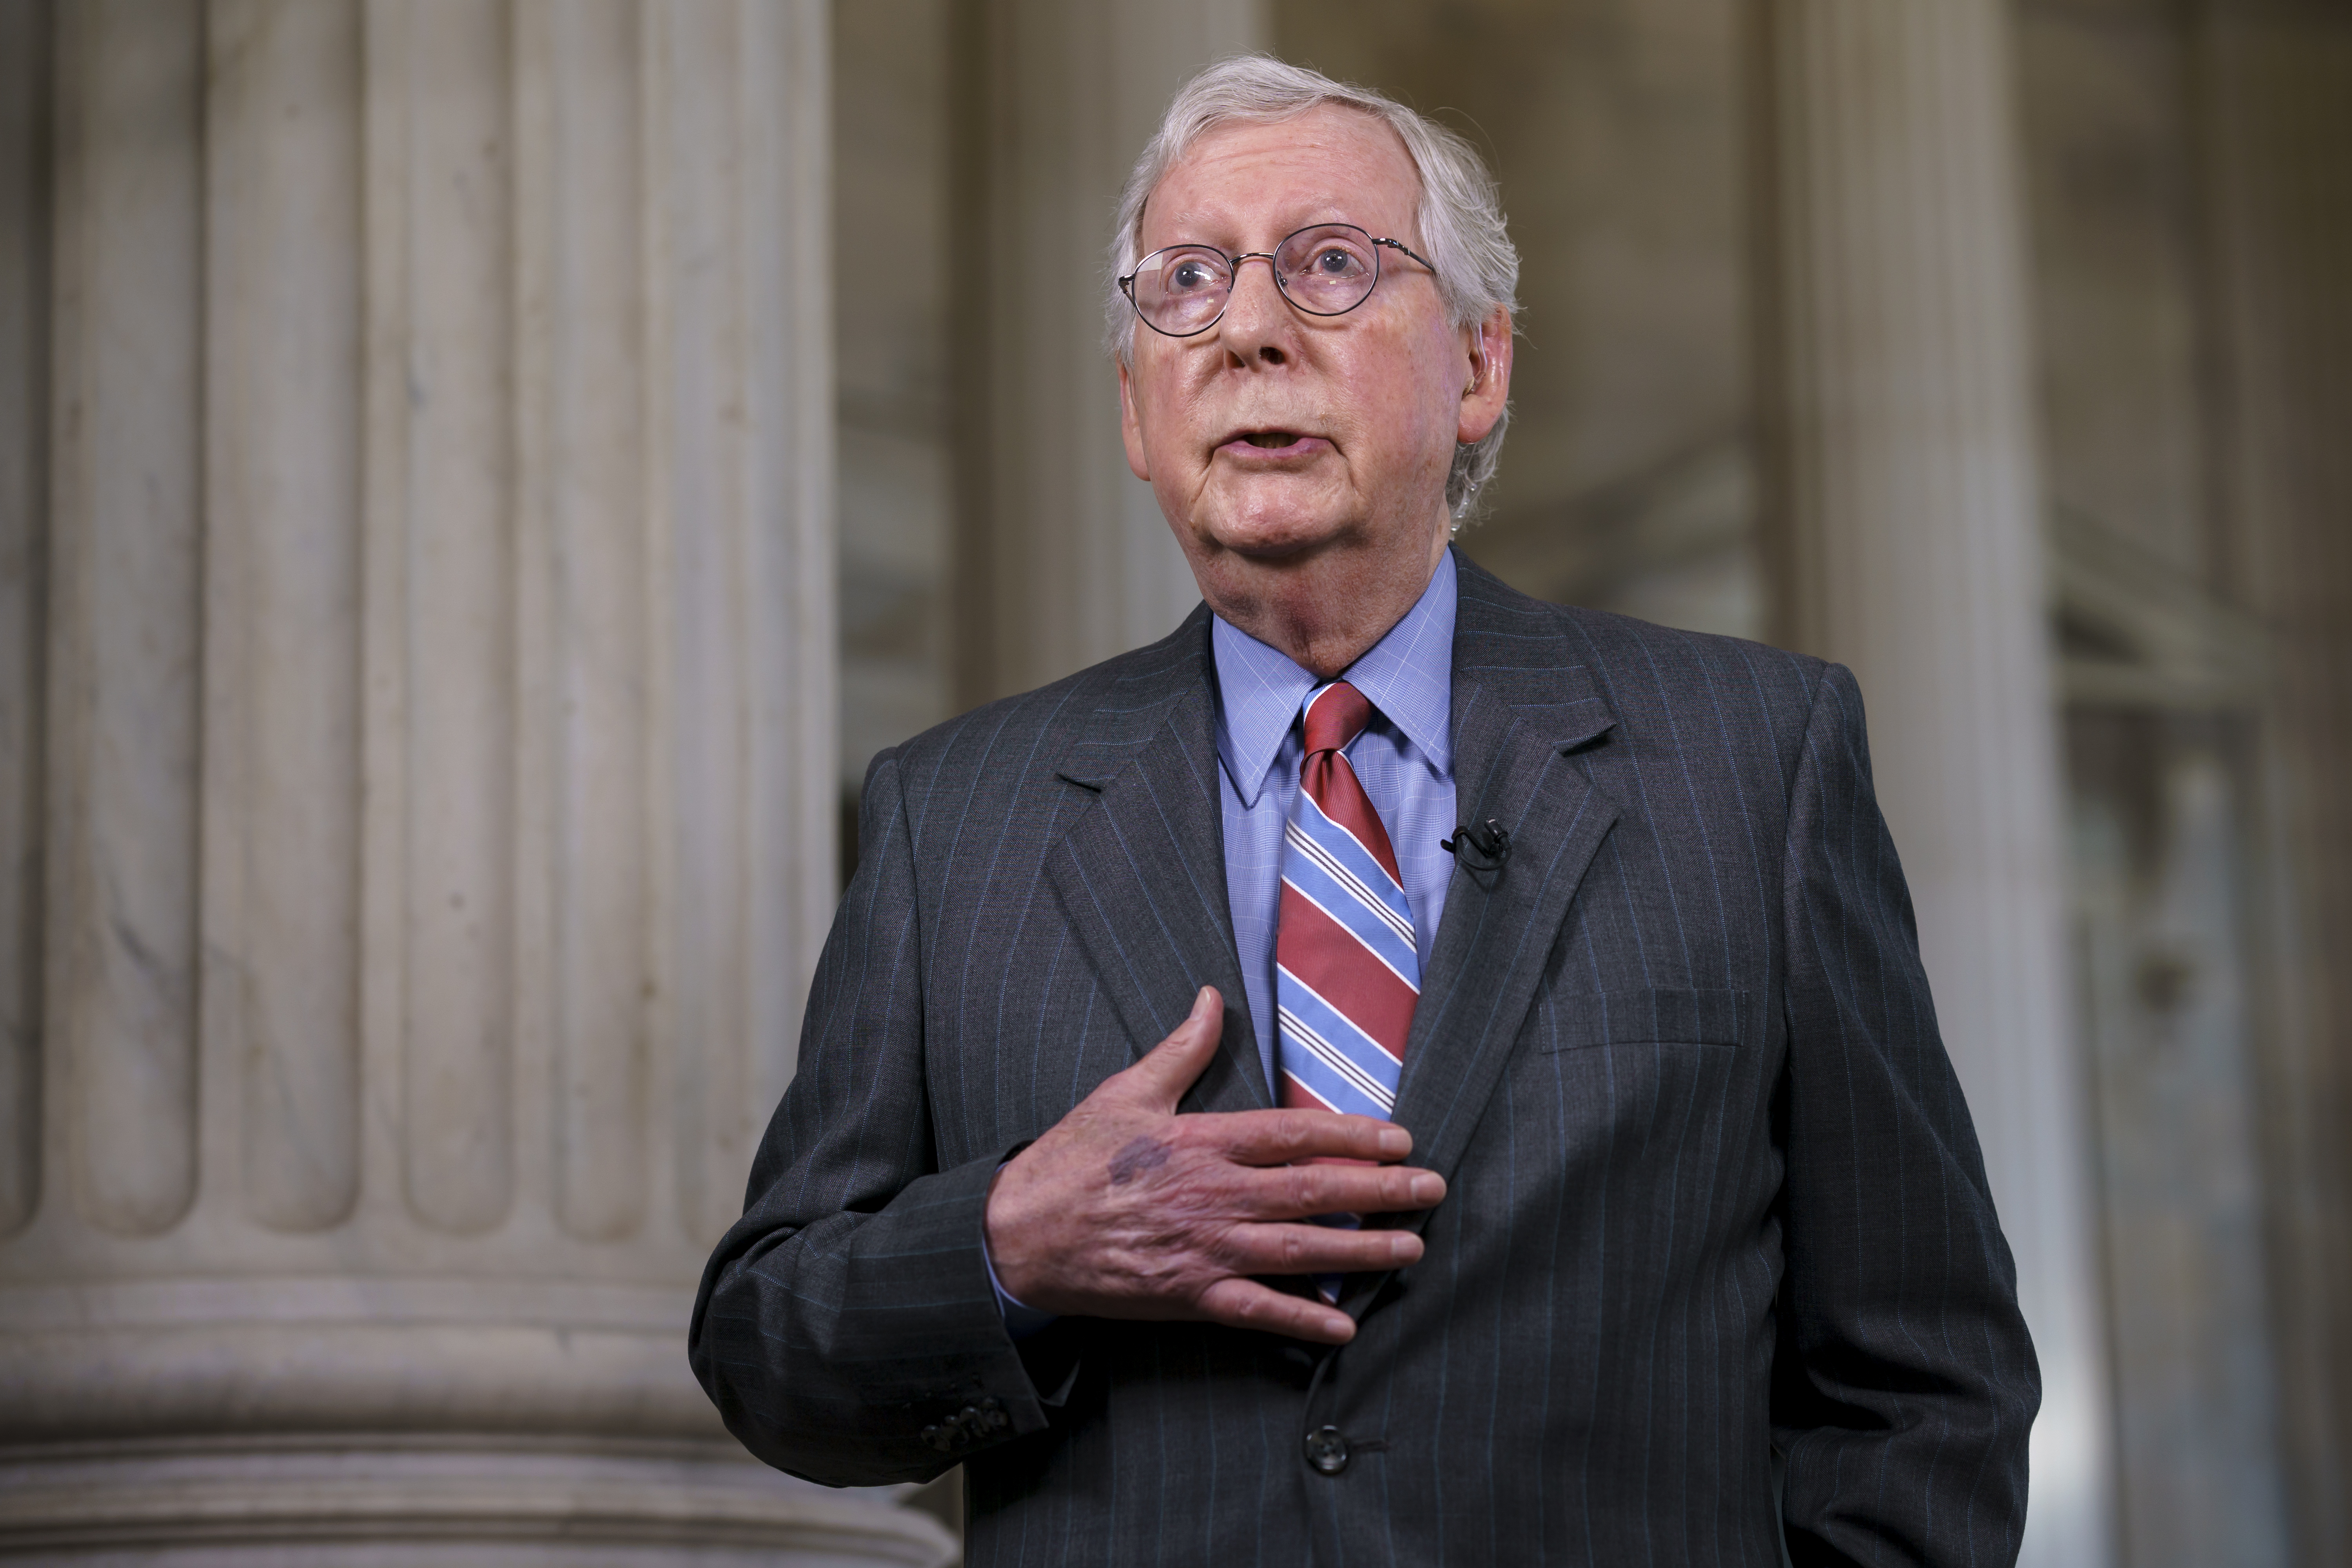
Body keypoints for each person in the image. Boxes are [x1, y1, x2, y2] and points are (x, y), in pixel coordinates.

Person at [691, 54, 2038, 1566]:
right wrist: (1014, 1244)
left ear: (1479, 367)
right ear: (1137, 411)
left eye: (1330, 265)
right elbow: (768, 1354)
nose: (1250, 329)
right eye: (1185, 284)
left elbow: (1927, 1388)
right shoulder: (959, 818)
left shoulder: (1752, 763)